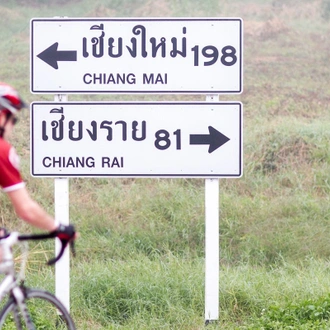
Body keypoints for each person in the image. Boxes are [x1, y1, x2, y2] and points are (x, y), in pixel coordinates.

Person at [0, 82, 75, 243]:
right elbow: (26, 209)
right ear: (1, 116)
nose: (12, 126)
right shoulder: (2, 151)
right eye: (13, 119)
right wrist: (59, 228)